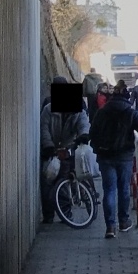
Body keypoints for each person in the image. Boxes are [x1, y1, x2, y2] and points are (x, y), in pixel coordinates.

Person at [88, 80, 138, 239]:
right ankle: (124, 221)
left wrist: (96, 146)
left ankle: (110, 227)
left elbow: (92, 132)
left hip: (105, 157)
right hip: (124, 157)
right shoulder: (130, 112)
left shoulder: (102, 112)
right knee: (124, 189)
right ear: (127, 97)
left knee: (109, 190)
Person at [39, 76, 91, 224]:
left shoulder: (77, 108)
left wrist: (83, 136)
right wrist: (48, 146)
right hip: (52, 149)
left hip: (68, 147)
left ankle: (65, 213)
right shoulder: (49, 109)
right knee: (49, 181)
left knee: (61, 180)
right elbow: (44, 128)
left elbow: (83, 123)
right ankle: (52, 214)